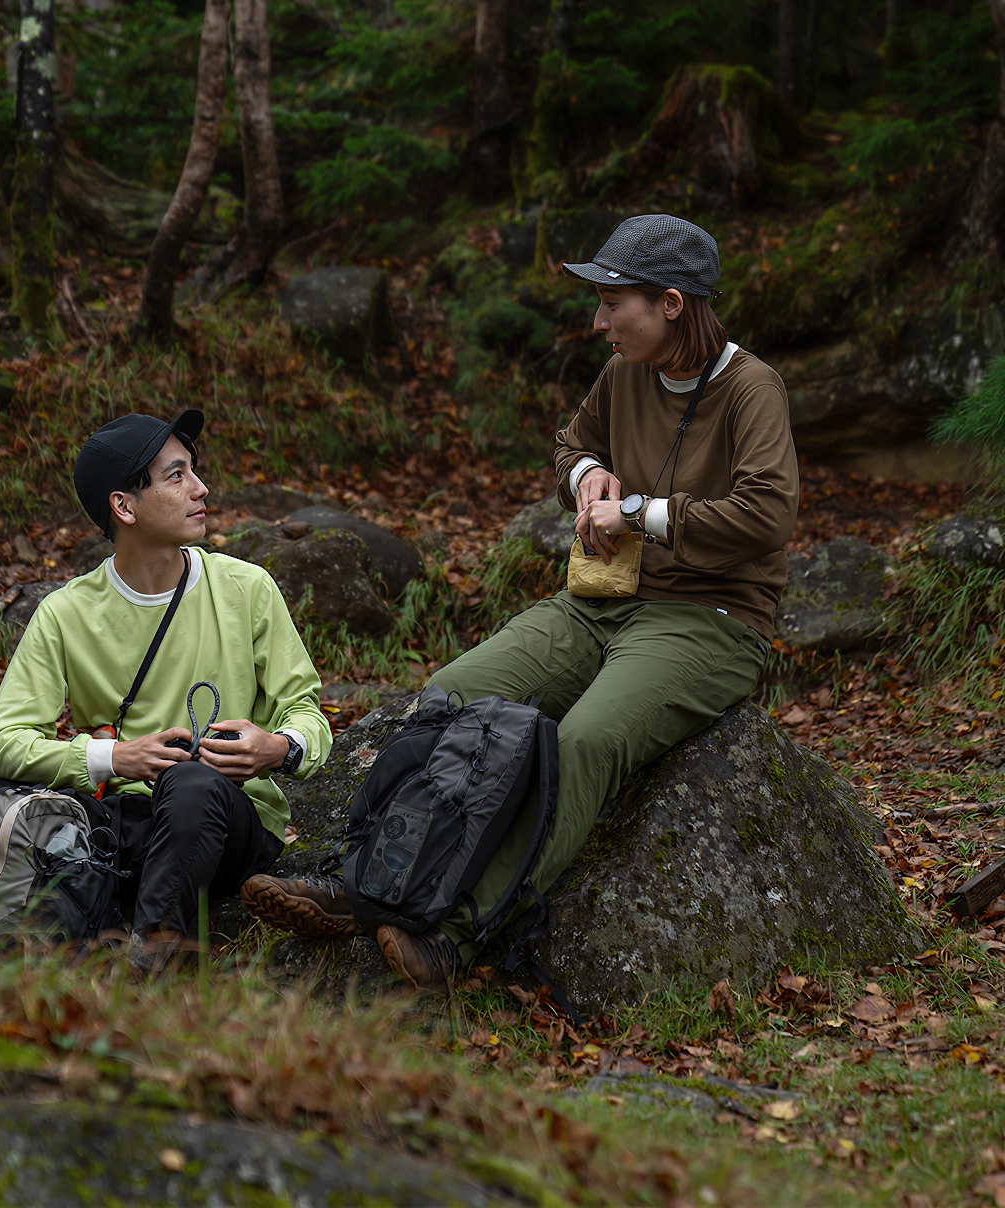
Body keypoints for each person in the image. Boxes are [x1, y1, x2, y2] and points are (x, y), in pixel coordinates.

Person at [244, 214, 799, 986]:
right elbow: (574, 445)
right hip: (601, 602)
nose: (598, 319)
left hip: (710, 621)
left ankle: (458, 937)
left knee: (584, 741)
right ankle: (358, 887)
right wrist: (588, 477)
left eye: (613, 302)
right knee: (452, 695)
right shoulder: (624, 373)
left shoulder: (751, 388)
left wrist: (636, 513)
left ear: (672, 303)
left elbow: (768, 515)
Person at [0, 410, 332, 966]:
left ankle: (152, 966)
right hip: (113, 827)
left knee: (191, 784)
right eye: (177, 476)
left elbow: (306, 713)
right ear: (124, 506)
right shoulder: (67, 612)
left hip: (224, 824)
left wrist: (276, 748)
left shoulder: (246, 589)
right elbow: (2, 743)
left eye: (193, 471)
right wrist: (114, 758)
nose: (201, 488)